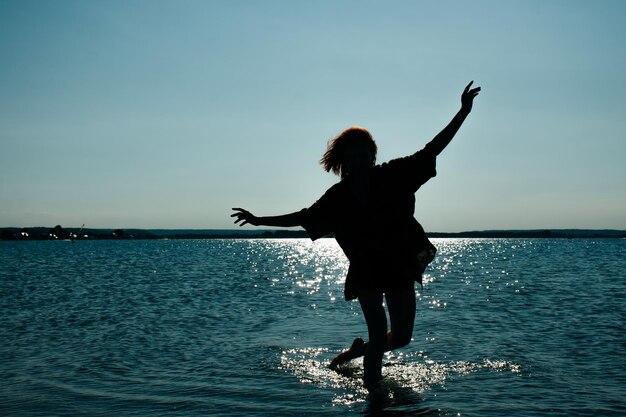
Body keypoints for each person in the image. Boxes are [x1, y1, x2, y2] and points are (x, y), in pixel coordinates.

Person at [231, 81, 480, 389]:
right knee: (379, 335)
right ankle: (374, 399)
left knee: (401, 337)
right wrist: (258, 220)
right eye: (353, 157)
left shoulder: (393, 175)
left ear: (372, 157)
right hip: (366, 271)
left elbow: (433, 148)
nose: (359, 162)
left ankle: (357, 352)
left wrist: (463, 112)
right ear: (343, 162)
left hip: (398, 264)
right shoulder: (337, 197)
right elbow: (303, 217)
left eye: (365, 156)